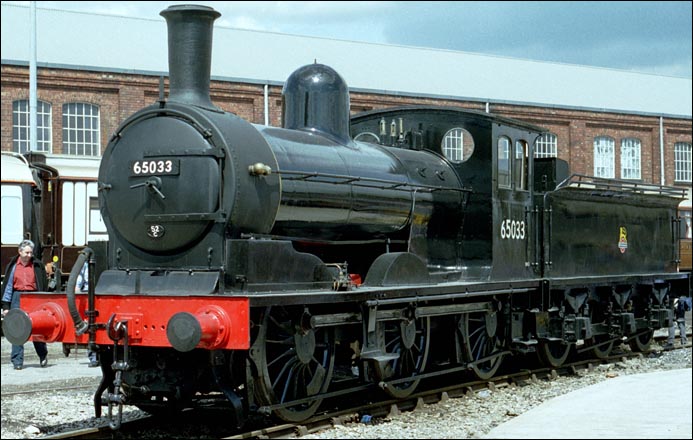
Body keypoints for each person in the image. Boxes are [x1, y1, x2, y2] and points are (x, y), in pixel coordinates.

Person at [1, 240, 49, 370]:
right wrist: (6, 306)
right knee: (17, 329)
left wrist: (43, 302)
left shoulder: (37, 265)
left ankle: (43, 355)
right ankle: (17, 361)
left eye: (30, 252)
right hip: (17, 296)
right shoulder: (13, 266)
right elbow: (8, 286)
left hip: (34, 296)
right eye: (27, 252)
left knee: (37, 327)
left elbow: (43, 285)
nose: (29, 255)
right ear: (20, 252)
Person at [75, 261, 99, 367]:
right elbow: (80, 278)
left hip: (104, 291)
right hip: (88, 293)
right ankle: (93, 356)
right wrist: (77, 288)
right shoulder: (86, 262)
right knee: (90, 325)